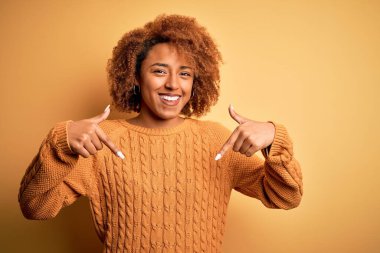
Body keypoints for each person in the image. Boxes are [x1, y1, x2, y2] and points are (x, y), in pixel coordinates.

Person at [18, 14, 303, 253]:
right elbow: (35, 207)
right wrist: (60, 141)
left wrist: (274, 138)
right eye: (159, 71)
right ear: (135, 78)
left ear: (196, 82)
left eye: (185, 73)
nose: (172, 84)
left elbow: (286, 197)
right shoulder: (101, 141)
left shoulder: (217, 140)